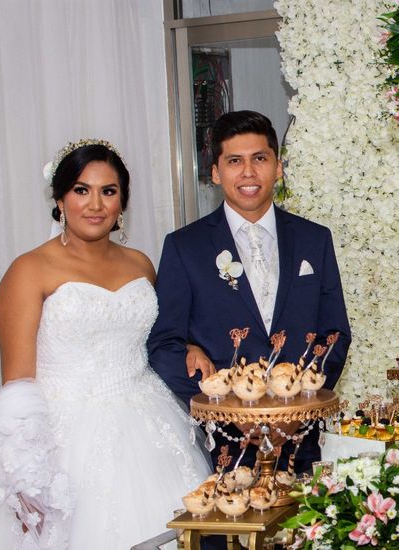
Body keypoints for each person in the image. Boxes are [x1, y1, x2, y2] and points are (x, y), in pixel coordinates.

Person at [0, 140, 209, 549]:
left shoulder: (141, 263)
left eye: (108, 191)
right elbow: (17, 383)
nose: (95, 204)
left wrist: (191, 347)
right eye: (81, 190)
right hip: (64, 437)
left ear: (122, 202)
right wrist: (28, 476)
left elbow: (162, 337)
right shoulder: (28, 269)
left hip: (149, 422)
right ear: (60, 199)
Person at [148, 110, 351, 474]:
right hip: (225, 445)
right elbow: (165, 345)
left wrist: (295, 408)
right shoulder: (185, 247)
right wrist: (231, 410)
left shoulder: (314, 239)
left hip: (301, 437)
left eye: (260, 158)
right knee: (227, 531)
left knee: (305, 530)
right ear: (215, 172)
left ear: (278, 166)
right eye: (234, 161)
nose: (248, 172)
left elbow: (334, 334)